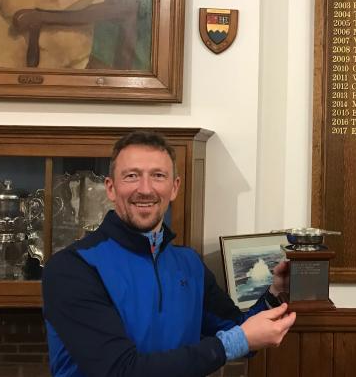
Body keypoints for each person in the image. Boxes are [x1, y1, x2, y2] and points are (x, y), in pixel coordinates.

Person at [42, 131, 296, 376]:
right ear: (110, 188)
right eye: (131, 176)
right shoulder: (72, 268)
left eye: (158, 176)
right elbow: (120, 370)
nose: (145, 189)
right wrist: (232, 343)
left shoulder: (189, 264)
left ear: (174, 188)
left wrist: (274, 294)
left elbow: (240, 332)